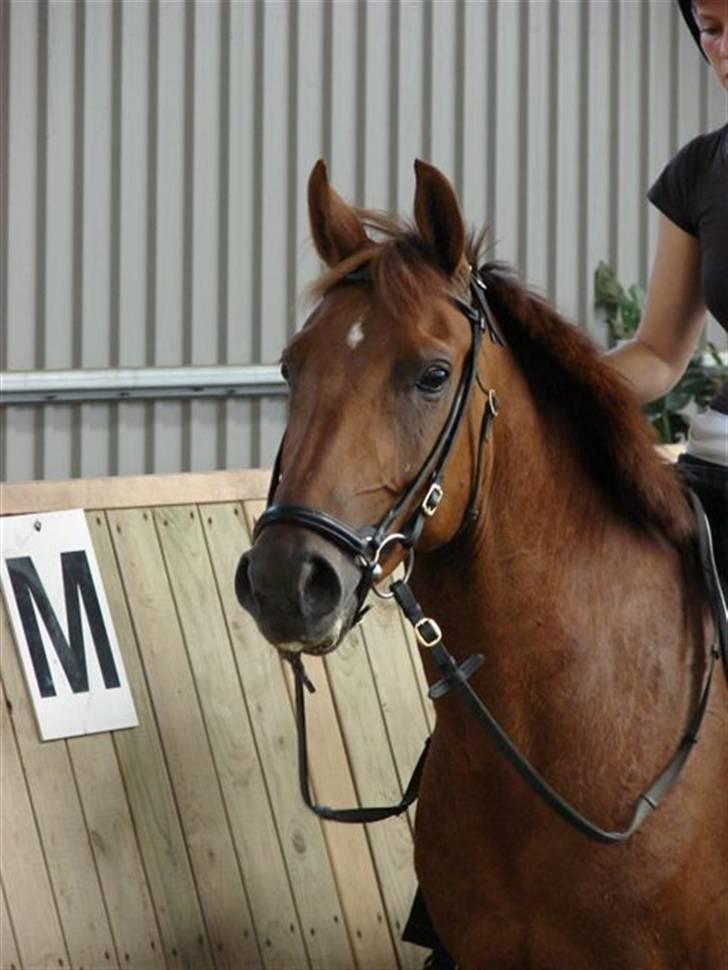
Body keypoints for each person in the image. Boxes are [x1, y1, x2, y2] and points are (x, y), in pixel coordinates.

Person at [605, 0, 727, 598]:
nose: (723, 51)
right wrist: (548, 381)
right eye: (711, 31)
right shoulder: (698, 172)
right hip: (719, 469)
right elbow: (657, 353)